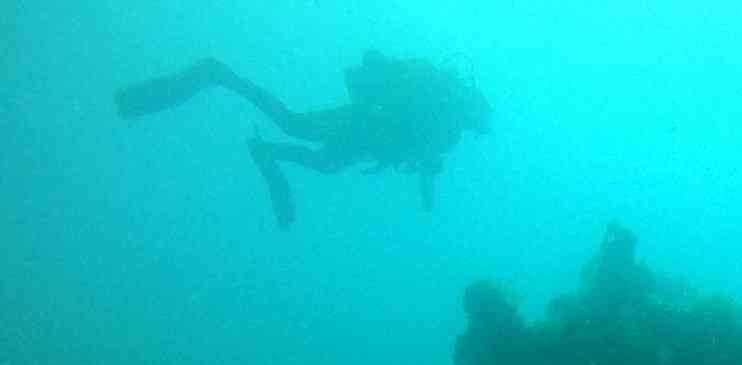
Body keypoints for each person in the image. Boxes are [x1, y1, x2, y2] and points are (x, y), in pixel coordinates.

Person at [114, 51, 491, 230]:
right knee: (291, 123)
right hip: (358, 127)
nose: (472, 128)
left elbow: (422, 156)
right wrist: (426, 189)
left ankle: (265, 152)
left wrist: (426, 193)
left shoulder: (443, 126)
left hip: (362, 139)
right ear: (471, 114)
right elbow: (416, 142)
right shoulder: (442, 118)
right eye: (476, 123)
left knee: (322, 163)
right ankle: (218, 73)